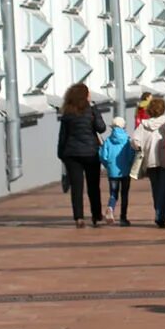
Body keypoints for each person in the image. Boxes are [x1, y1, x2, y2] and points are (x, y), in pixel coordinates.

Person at [56, 82, 106, 228]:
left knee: (76, 187)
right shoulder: (91, 111)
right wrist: (95, 110)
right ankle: (96, 215)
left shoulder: (68, 113)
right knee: (93, 186)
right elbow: (101, 128)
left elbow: (62, 136)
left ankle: (79, 217)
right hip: (91, 153)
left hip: (71, 154)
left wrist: (61, 154)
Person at [132, 95, 165, 227]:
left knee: (156, 189)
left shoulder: (143, 126)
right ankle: (162, 215)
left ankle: (158, 211)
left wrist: (140, 148)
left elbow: (134, 141)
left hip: (150, 161)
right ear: (163, 110)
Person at [99, 115, 136, 226]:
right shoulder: (127, 140)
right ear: (123, 127)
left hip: (112, 172)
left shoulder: (108, 141)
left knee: (114, 193)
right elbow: (131, 156)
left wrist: (108, 166)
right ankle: (123, 218)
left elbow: (103, 156)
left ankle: (110, 208)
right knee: (124, 194)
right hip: (125, 171)